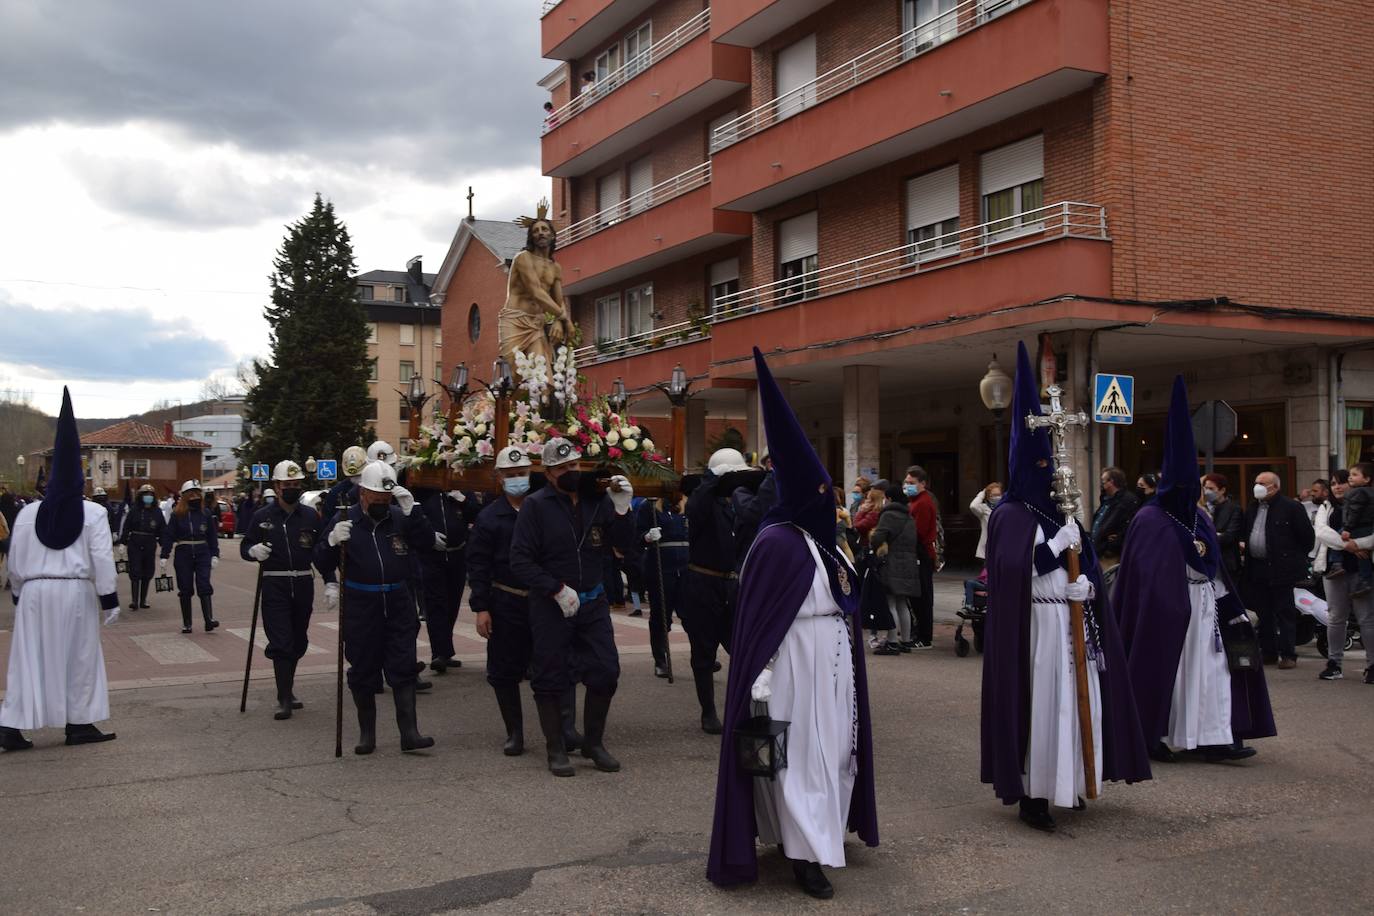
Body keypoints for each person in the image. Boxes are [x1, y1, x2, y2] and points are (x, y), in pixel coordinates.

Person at [707, 348, 878, 899]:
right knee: (799, 756)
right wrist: (758, 673)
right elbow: (761, 617)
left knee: (834, 748)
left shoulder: (828, 545)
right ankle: (803, 854)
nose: (832, 505)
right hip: (792, 666)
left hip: (831, 662)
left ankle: (821, 831)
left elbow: (848, 597)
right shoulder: (776, 543)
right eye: (823, 496)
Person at [980, 343, 1151, 833]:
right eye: (1040, 470)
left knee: (1078, 701)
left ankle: (1070, 780)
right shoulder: (1010, 514)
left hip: (1070, 617)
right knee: (1043, 705)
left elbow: (1089, 564)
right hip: (1034, 625)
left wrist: (1088, 588)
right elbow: (1013, 572)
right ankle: (1034, 793)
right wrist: (1055, 548)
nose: (1049, 476)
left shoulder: (1064, 510)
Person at [1113, 377, 1275, 764]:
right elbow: (1147, 576)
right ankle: (1154, 734)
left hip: (1205, 609)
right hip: (1167, 615)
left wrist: (1228, 604)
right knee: (1169, 672)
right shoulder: (1149, 519)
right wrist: (1170, 604)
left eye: (1196, 487)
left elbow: (1212, 562)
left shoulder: (1198, 517)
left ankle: (1215, 737)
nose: (1193, 493)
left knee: (1214, 671)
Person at [1, 389, 120, 751]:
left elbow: (16, 560)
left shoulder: (26, 514)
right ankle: (79, 722)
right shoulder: (94, 513)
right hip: (75, 592)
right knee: (80, 657)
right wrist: (109, 597)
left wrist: (21, 593)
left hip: (36, 591)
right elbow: (102, 556)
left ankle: (12, 726)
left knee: (28, 658)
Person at [509, 438, 635, 776]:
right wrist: (555, 588)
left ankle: (593, 743)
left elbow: (624, 546)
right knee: (550, 675)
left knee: (606, 670)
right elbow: (520, 560)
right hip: (552, 604)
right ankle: (556, 749)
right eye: (563, 468)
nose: (571, 472)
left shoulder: (598, 501)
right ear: (549, 473)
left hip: (592, 603)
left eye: (575, 466)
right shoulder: (536, 506)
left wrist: (622, 510)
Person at [316, 461, 436, 754]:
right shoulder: (344, 520)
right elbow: (322, 561)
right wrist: (332, 541)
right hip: (361, 604)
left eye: (387, 499)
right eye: (377, 499)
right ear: (363, 494)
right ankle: (367, 733)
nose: (383, 504)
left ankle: (409, 732)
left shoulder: (399, 517)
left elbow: (427, 543)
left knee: (403, 665)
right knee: (363, 668)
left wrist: (414, 512)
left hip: (398, 600)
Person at [240, 460, 322, 720]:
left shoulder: (310, 516)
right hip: (275, 583)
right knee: (282, 641)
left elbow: (321, 551)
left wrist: (331, 580)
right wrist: (253, 552)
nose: (292, 489)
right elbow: (246, 545)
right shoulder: (262, 516)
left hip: (303, 582)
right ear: (276, 487)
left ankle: (288, 687)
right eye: (287, 485)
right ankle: (283, 697)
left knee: (299, 640)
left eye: (296, 485)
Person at [468, 447, 537, 756]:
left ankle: (562, 729)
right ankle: (514, 732)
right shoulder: (489, 517)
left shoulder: (544, 508)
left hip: (543, 600)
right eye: (510, 475)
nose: (517, 480)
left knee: (553, 665)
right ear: (499, 478)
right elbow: (478, 565)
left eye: (521, 473)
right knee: (504, 671)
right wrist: (481, 608)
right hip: (506, 601)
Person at [683, 448, 752, 734]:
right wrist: (712, 478)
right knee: (704, 651)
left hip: (734, 584)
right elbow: (694, 507)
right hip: (703, 584)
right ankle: (708, 711)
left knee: (744, 649)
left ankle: (744, 707)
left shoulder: (742, 502)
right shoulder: (704, 502)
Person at [1241, 471, 1314, 668]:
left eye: (1263, 483)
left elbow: (1307, 538)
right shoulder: (1253, 507)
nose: (1258, 486)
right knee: (1263, 613)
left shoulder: (1291, 507)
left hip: (1282, 569)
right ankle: (1269, 652)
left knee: (1284, 612)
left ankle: (1288, 654)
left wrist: (1292, 559)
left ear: (1275, 486)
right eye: (1256, 482)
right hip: (1258, 567)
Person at [1314, 470, 1374, 683]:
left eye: (1342, 483)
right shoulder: (1326, 506)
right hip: (1333, 569)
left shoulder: (1367, 504)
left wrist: (1361, 544)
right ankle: (1334, 663)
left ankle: (1372, 665)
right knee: (1336, 618)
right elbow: (1321, 531)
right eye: (1333, 484)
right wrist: (1349, 546)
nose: (1337, 487)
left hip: (1362, 569)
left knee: (1367, 618)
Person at [499, 208, 575, 375]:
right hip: (515, 321)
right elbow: (536, 292)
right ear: (531, 237)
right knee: (513, 377)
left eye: (544, 229)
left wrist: (557, 321)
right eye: (535, 231)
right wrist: (565, 320)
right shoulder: (523, 258)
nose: (540, 233)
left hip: (536, 324)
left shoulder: (555, 268)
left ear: (552, 235)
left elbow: (559, 300)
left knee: (543, 378)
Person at [416, 484, 479, 673]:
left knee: (452, 603)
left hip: (457, 554)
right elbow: (415, 517)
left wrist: (463, 500)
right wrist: (428, 536)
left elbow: (476, 514)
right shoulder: (423, 491)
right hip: (431, 556)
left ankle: (446, 650)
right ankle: (439, 653)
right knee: (436, 604)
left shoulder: (463, 491)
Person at [639, 484, 689, 679]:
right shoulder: (649, 506)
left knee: (693, 616)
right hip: (661, 566)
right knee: (661, 616)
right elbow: (638, 536)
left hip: (685, 567)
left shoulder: (687, 504)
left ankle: (703, 656)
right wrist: (647, 537)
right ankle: (660, 659)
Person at [159, 479, 220, 635]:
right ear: (185, 496)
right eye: (191, 494)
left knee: (204, 584)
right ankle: (187, 623)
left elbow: (212, 536)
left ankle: (209, 620)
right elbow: (168, 535)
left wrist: (215, 554)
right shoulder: (177, 514)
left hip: (202, 551)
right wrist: (164, 555)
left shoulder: (206, 513)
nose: (194, 497)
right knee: (185, 587)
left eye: (196, 493)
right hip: (183, 552)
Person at [870, 484, 920, 655]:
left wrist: (875, 542)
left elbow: (878, 537)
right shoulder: (909, 516)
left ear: (889, 498)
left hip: (891, 562)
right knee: (902, 603)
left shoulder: (888, 515)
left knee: (890, 602)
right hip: (908, 563)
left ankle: (892, 642)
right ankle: (905, 641)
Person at [903, 466, 938, 649]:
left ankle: (925, 637)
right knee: (916, 597)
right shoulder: (914, 500)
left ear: (922, 484)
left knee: (923, 597)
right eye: (906, 482)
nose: (907, 485)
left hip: (922, 553)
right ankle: (920, 632)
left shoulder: (923, 502)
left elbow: (919, 532)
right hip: (916, 552)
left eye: (911, 483)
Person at [119, 483, 165, 610]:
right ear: (141, 496)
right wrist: (122, 542)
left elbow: (162, 530)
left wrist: (164, 548)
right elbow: (127, 526)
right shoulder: (134, 510)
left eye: (150, 495)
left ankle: (143, 600)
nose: (148, 497)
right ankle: (134, 601)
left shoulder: (157, 512)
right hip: (135, 542)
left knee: (148, 571)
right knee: (135, 570)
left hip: (150, 542)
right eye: (146, 494)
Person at [1338, 461, 1374, 597]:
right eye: (1350, 474)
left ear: (1367, 479)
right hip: (1365, 527)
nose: (1350, 477)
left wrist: (1347, 528)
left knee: (1362, 555)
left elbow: (1354, 511)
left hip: (1358, 527)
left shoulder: (1359, 492)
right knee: (1363, 555)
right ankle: (1365, 580)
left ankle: (1364, 580)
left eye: (1354, 475)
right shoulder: (1366, 492)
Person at [1091, 467, 1140, 567]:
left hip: (1110, 555)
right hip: (1098, 551)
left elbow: (1127, 527)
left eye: (1103, 481)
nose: (1102, 484)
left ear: (1111, 482)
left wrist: (1111, 545)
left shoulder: (1127, 500)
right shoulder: (1106, 499)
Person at [1201, 473, 1243, 578]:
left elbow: (1229, 537)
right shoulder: (1202, 507)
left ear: (1222, 490)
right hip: (1205, 563)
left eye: (1211, 488)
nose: (1207, 492)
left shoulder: (1234, 509)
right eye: (1205, 488)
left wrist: (1206, 538)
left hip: (1226, 564)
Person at [970, 481, 1003, 564]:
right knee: (989, 574)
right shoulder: (983, 509)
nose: (997, 497)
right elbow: (973, 506)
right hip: (988, 547)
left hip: (1002, 547)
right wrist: (983, 493)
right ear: (988, 496)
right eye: (994, 495)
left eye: (999, 494)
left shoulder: (1004, 508)